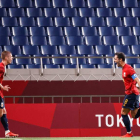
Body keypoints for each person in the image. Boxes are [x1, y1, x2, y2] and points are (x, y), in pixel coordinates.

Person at [114, 52, 140, 137]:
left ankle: (129, 133)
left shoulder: (128, 68)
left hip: (131, 94)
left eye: (115, 59)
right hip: (133, 93)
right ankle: (129, 133)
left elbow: (137, 80)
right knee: (134, 115)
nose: (114, 61)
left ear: (120, 59)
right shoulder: (124, 69)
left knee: (123, 113)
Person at [0, 51, 19, 138]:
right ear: (6, 58)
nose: (12, 58)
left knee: (3, 112)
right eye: (11, 56)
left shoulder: (3, 67)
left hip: (0, 94)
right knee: (1, 113)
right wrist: (2, 87)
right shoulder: (1, 67)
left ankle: (7, 132)